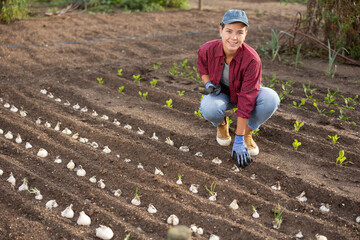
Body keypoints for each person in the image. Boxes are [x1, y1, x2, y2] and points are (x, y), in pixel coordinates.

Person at [197, 9, 280, 168]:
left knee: (271, 99)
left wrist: (239, 138)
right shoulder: (208, 49)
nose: (233, 38)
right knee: (208, 107)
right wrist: (208, 83)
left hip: (245, 93)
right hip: (222, 94)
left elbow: (247, 99)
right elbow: (202, 66)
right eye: (229, 31)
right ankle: (221, 124)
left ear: (245, 34)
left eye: (239, 32)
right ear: (221, 30)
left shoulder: (252, 60)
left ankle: (247, 132)